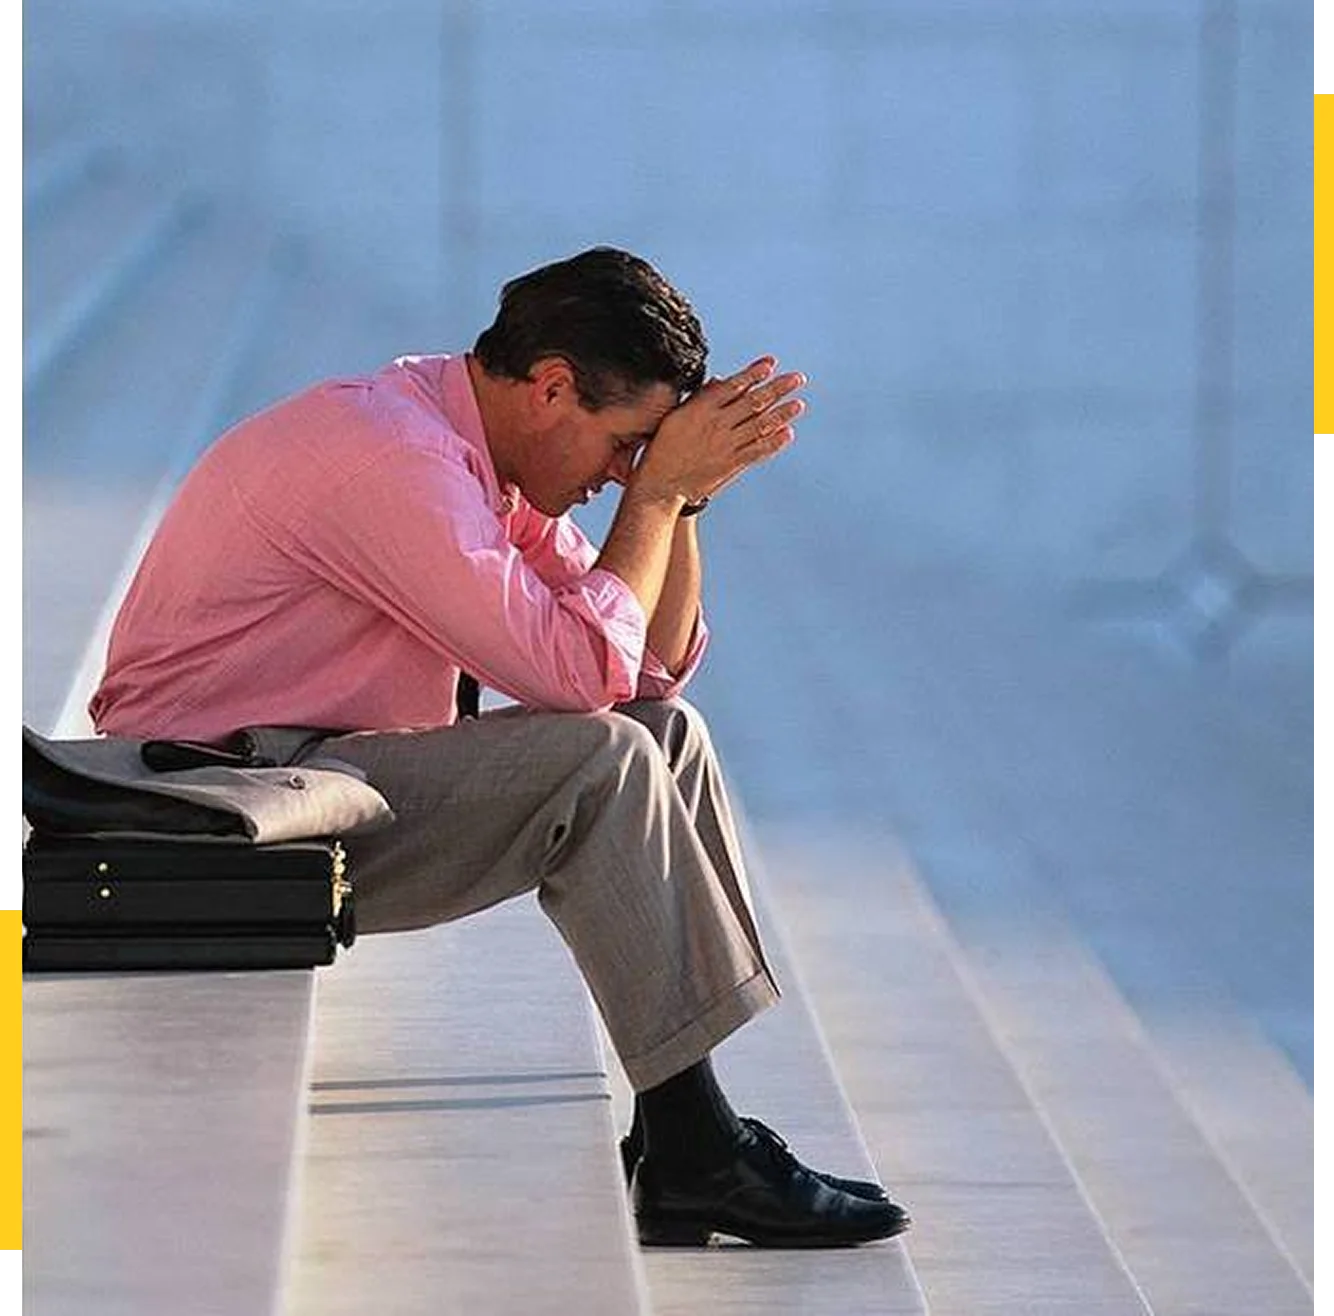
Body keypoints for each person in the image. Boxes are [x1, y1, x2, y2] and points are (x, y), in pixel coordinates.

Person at [88, 246, 911, 1248]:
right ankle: (696, 1149)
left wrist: (682, 499)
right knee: (603, 761)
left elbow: (646, 673)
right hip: (215, 801)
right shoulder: (395, 459)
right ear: (553, 387)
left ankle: (682, 1134)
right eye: (626, 445)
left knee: (663, 735)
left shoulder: (478, 453)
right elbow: (578, 676)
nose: (621, 476)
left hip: (308, 773)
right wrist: (655, 500)